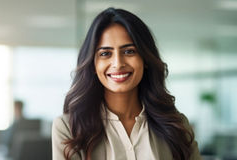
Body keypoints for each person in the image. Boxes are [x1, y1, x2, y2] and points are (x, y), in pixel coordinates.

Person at [52, 8, 201, 160]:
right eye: (105, 53)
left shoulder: (176, 125)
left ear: (145, 59)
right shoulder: (68, 128)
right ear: (93, 65)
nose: (118, 63)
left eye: (129, 51)